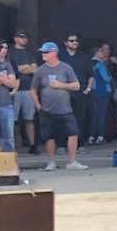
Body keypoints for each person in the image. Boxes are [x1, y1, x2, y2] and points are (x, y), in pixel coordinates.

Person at [30, 42, 87, 171]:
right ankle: (51, 162)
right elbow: (33, 89)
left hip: (65, 109)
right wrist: (37, 104)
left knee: (73, 133)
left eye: (46, 52)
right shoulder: (40, 71)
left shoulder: (66, 68)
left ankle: (72, 162)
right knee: (49, 136)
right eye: (43, 52)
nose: (43, 54)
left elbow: (77, 85)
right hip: (47, 110)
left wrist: (61, 85)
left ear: (54, 53)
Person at [9, 30, 39, 153]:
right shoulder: (10, 53)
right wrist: (26, 67)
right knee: (12, 120)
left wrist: (23, 68)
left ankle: (32, 145)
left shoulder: (30, 53)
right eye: (21, 37)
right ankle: (13, 145)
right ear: (15, 38)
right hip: (14, 89)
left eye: (25, 37)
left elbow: (35, 69)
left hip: (28, 89)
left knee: (29, 119)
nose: (24, 39)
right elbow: (15, 69)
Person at [59, 32, 92, 146]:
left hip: (80, 93)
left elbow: (91, 75)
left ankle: (79, 143)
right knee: (63, 118)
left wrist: (88, 89)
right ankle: (62, 144)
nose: (75, 42)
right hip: (63, 92)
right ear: (65, 43)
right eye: (72, 40)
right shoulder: (60, 57)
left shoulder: (84, 57)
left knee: (80, 119)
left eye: (76, 40)